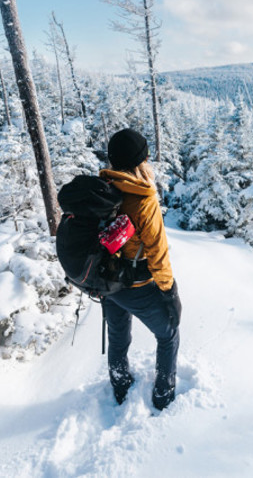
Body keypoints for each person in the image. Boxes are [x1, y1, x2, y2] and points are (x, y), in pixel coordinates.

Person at [99, 128, 182, 410]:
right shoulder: (143, 199)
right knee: (168, 333)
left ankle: (120, 386)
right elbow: (158, 254)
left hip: (109, 284)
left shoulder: (103, 189)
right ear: (140, 162)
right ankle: (163, 394)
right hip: (137, 287)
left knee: (118, 337)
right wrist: (170, 292)